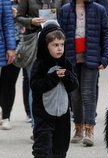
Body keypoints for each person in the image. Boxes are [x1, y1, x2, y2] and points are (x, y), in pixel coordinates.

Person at [58, 0, 108, 146]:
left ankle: (89, 130)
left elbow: (106, 34)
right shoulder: (65, 10)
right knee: (74, 95)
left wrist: (105, 57)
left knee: (88, 94)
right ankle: (78, 127)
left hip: (91, 57)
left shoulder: (99, 10)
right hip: (71, 58)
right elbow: (59, 34)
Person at [15, 0, 69, 135]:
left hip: (55, 42)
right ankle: (36, 125)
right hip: (34, 41)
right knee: (35, 83)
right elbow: (18, 17)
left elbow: (67, 13)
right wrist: (32, 21)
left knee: (56, 80)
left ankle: (54, 122)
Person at [30, 20, 78, 157]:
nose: (59, 48)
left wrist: (67, 76)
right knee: (42, 149)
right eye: (55, 45)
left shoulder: (66, 63)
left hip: (63, 115)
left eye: (62, 45)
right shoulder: (39, 64)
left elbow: (74, 85)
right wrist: (53, 78)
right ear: (45, 46)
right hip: (43, 115)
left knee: (60, 148)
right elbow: (35, 86)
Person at [0, 0, 19, 130]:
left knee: (8, 81)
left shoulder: (4, 2)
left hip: (6, 44)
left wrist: (11, 47)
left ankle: (6, 116)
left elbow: (7, 23)